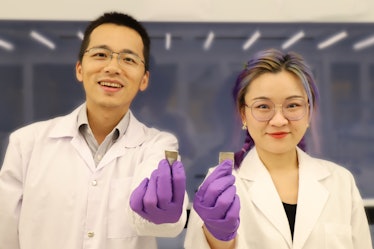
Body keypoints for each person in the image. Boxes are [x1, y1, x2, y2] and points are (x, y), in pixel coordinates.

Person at [0, 12, 188, 249]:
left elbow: (166, 223)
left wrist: (164, 212)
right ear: (79, 69)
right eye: (101, 55)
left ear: (144, 80)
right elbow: (5, 233)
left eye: (128, 59)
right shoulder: (26, 144)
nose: (113, 67)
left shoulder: (158, 145)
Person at [184, 48, 372, 249]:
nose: (279, 120)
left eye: (292, 106)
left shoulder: (341, 182)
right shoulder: (218, 185)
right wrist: (218, 239)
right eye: (263, 107)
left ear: (308, 111)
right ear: (244, 115)